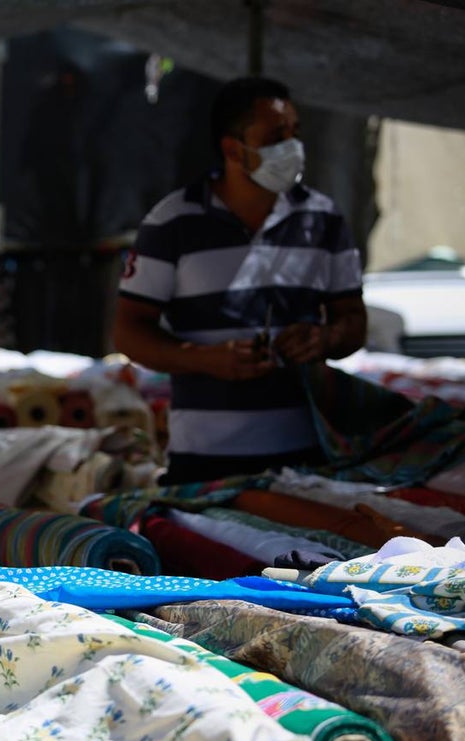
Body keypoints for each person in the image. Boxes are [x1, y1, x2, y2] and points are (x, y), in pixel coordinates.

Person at [112, 76, 368, 485]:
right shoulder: (173, 221)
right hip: (204, 460)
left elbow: (353, 320)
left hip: (308, 459)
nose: (293, 148)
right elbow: (128, 333)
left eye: (295, 133)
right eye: (275, 136)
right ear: (233, 149)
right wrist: (204, 359)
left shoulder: (324, 219)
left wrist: (325, 339)